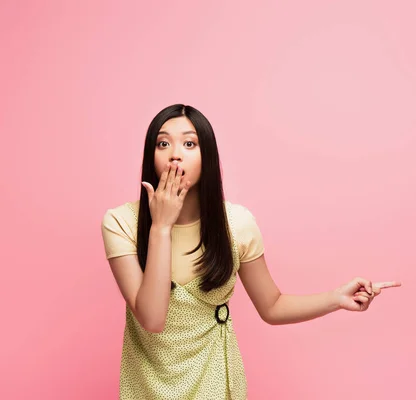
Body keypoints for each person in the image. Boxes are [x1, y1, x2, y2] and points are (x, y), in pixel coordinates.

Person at [100, 104, 400, 400]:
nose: (175, 153)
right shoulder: (121, 222)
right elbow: (153, 319)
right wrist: (161, 227)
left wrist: (338, 298)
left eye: (190, 143)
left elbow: (272, 306)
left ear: (208, 157)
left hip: (215, 384)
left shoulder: (237, 224)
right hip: (148, 386)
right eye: (163, 143)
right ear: (150, 157)